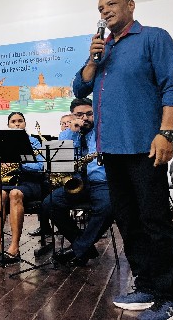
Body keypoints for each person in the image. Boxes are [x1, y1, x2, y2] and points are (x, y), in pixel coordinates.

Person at [73, 0, 173, 320]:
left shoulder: (154, 38)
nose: (104, 11)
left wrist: (166, 133)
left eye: (111, 4)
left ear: (130, 6)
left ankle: (171, 297)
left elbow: (172, 86)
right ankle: (147, 285)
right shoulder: (103, 49)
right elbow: (79, 89)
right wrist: (92, 60)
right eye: (100, 8)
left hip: (145, 146)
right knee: (128, 221)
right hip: (111, 150)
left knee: (154, 220)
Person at [42, 98, 112, 266]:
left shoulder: (104, 131)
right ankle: (84, 247)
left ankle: (78, 249)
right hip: (77, 182)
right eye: (79, 115)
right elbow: (59, 162)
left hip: (101, 182)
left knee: (108, 207)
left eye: (89, 114)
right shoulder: (68, 134)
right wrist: (72, 133)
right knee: (49, 203)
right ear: (72, 116)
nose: (85, 118)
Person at [0, 112, 46, 264]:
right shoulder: (2, 143)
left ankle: (14, 247)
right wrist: (0, 166)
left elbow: (40, 166)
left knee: (14, 194)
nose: (17, 124)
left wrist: (20, 164)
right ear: (8, 125)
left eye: (20, 121)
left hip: (30, 182)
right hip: (8, 181)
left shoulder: (34, 142)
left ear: (25, 124)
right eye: (13, 121)